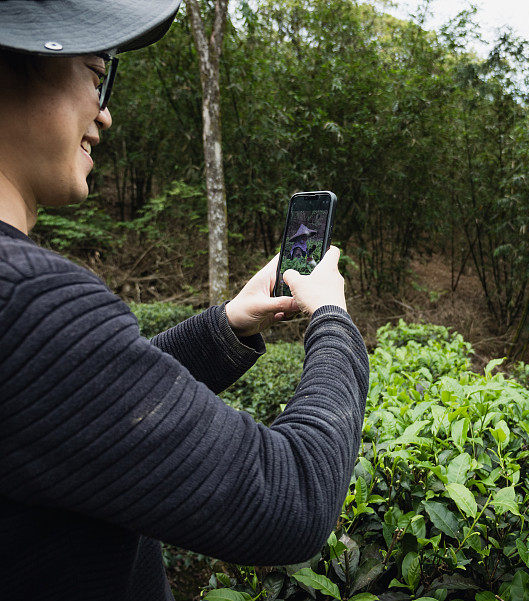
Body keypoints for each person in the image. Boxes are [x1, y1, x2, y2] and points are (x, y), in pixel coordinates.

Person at [0, 2, 368, 600]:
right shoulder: (28, 303)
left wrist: (226, 326)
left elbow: (77, 411)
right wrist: (334, 322)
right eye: (97, 77)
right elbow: (293, 496)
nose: (106, 113)